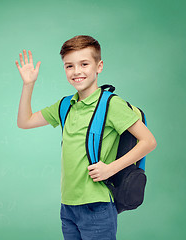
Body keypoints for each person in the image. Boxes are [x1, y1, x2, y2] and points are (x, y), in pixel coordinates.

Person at [15, 35, 157, 240]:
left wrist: (111, 168)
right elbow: (25, 121)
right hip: (68, 206)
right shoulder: (65, 105)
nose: (76, 71)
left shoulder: (111, 105)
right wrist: (28, 84)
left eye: (84, 64)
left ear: (99, 66)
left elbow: (149, 141)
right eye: (69, 66)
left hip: (97, 206)